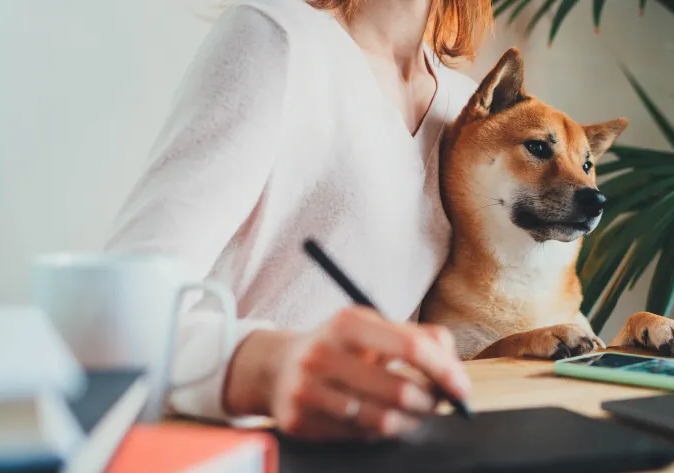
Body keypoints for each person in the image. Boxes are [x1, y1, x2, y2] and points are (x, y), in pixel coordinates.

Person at [104, 0, 494, 440]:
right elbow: (113, 313)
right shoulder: (278, 37)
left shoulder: (466, 106)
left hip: (375, 456)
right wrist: (268, 369)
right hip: (237, 456)